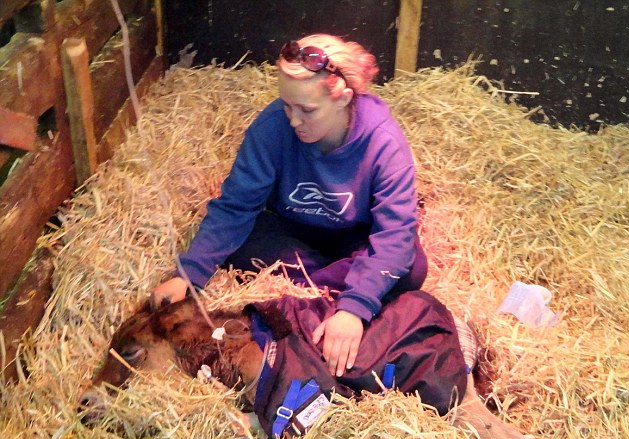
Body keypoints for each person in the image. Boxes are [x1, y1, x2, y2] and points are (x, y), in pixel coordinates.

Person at [151, 34, 427, 378]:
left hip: (355, 233)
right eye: (286, 105)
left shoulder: (383, 141)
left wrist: (355, 309)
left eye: (307, 110)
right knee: (238, 247)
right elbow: (236, 206)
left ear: (343, 98)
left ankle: (345, 281)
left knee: (410, 267)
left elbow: (395, 232)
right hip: (291, 228)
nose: (293, 120)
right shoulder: (272, 127)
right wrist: (188, 274)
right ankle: (347, 276)